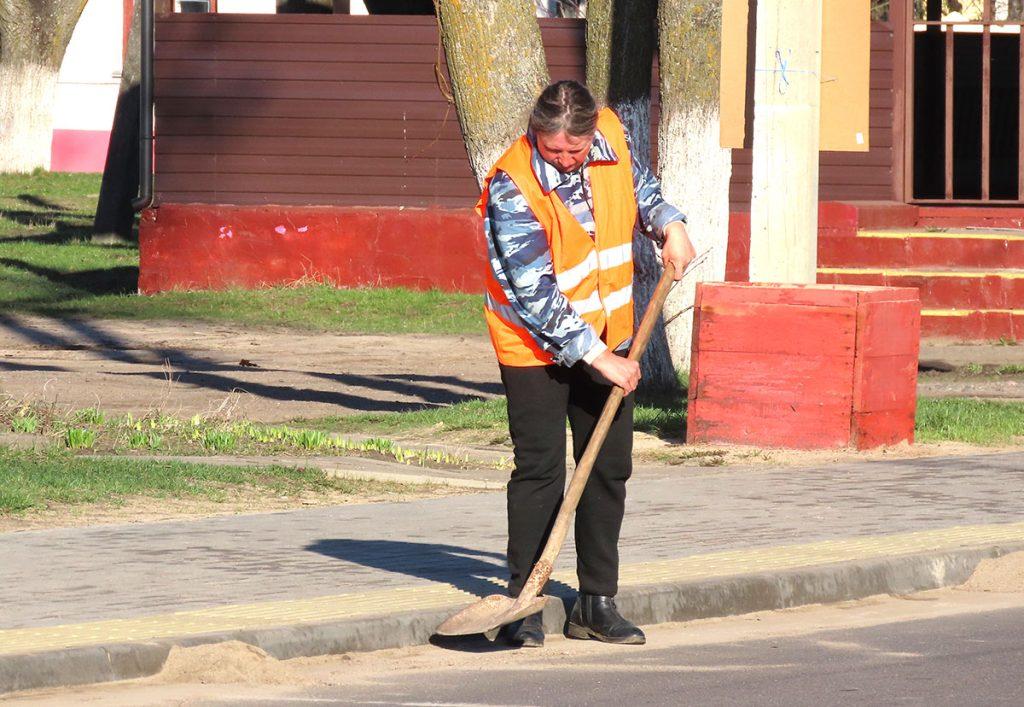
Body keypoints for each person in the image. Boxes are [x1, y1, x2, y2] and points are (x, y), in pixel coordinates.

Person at [477, 80, 695, 647]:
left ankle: (596, 603)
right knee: (541, 470)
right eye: (555, 151)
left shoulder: (612, 138)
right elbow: (535, 293)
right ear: (535, 135)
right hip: (534, 346)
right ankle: (524, 602)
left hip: (610, 329)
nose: (568, 161)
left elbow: (639, 189)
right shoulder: (512, 186)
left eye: (576, 150)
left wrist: (670, 224)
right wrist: (599, 359)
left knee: (607, 467)